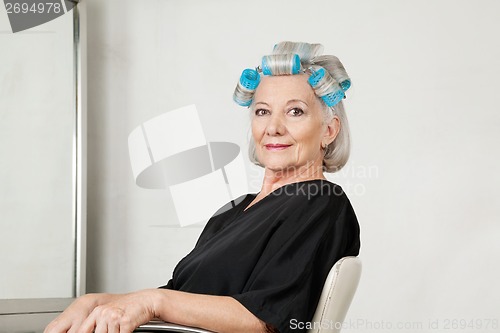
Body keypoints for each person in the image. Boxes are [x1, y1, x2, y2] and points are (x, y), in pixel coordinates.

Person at [44, 41, 361, 333]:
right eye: (263, 111)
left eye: (295, 111)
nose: (273, 128)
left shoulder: (321, 205)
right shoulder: (234, 210)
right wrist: (99, 301)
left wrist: (152, 301)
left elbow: (264, 319)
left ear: (329, 131)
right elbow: (180, 297)